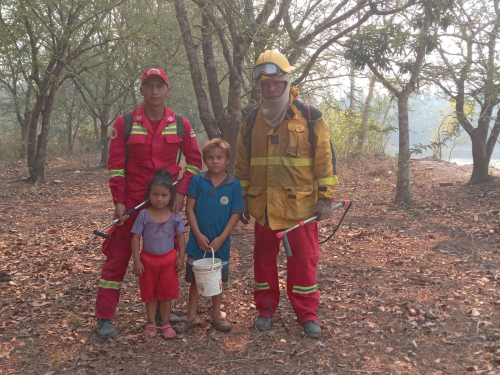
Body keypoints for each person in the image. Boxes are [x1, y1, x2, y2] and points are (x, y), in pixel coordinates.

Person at [234, 50, 339, 338]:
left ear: (286, 82)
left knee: (303, 263)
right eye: (265, 84)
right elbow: (242, 165)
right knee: (264, 261)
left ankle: (307, 315)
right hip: (264, 208)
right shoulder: (251, 121)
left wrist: (325, 197)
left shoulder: (309, 117)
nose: (271, 89)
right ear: (260, 87)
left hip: (301, 210)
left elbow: (324, 161)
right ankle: (265, 311)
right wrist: (240, 198)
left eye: (277, 83)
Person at [96, 67, 202, 339]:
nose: (154, 91)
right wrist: (118, 200)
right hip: (132, 201)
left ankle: (160, 314)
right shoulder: (126, 122)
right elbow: (116, 166)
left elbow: (194, 161)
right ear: (142, 90)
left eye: (160, 86)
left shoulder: (180, 123)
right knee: (118, 256)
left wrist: (180, 192)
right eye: (149, 86)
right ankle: (105, 317)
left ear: (167, 90)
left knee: (163, 258)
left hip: (166, 204)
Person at [174, 138, 244, 333]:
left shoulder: (233, 185)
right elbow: (189, 210)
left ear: (227, 160)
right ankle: (190, 317)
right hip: (198, 242)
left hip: (220, 243)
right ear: (205, 160)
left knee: (217, 279)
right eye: (211, 158)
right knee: (196, 279)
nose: (215, 161)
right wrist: (197, 234)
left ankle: (216, 315)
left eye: (219, 157)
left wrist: (222, 238)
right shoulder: (198, 181)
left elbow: (236, 213)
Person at [131, 170, 186, 339]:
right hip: (148, 260)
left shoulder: (175, 215)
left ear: (171, 196)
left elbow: (181, 236)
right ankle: (151, 323)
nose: (159, 199)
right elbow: (135, 237)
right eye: (155, 194)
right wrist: (137, 261)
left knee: (166, 292)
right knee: (149, 293)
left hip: (169, 260)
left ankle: (166, 324)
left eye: (164, 195)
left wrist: (181, 257)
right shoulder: (143, 215)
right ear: (149, 195)